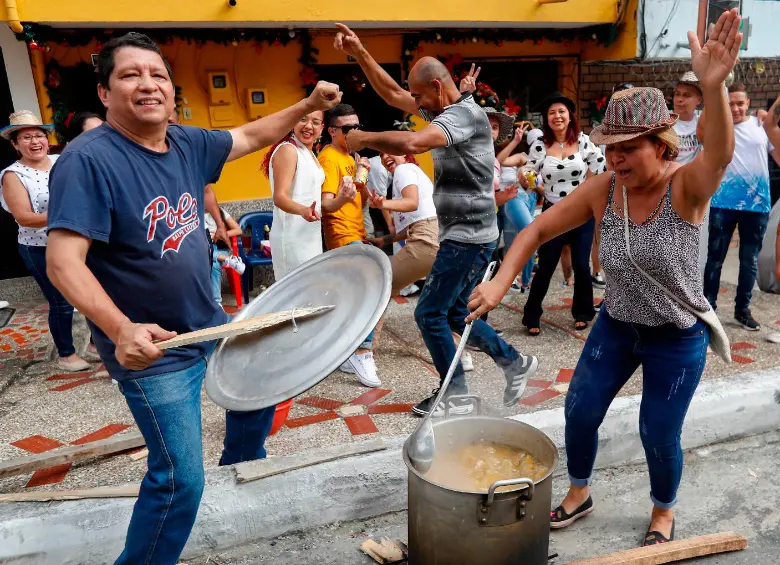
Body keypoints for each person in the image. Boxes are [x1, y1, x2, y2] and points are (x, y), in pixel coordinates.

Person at [45, 32, 342, 564]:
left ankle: (236, 470)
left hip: (208, 323)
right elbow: (63, 262)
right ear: (105, 92)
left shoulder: (186, 142)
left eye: (157, 74)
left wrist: (307, 104)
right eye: (130, 75)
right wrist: (120, 329)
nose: (148, 84)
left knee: (261, 386)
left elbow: (250, 134)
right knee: (179, 480)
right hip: (153, 349)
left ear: (171, 88)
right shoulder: (87, 160)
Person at [468, 8, 742, 546]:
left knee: (657, 432)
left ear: (660, 144)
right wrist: (500, 282)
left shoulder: (686, 188)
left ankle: (662, 511)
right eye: (610, 148)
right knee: (579, 411)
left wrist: (712, 87)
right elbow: (535, 230)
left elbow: (719, 153)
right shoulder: (604, 189)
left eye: (628, 148)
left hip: (676, 336)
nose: (615, 159)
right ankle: (579, 492)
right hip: (616, 327)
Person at [334, 24, 539, 416]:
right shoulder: (443, 109)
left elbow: (413, 142)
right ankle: (515, 362)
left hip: (468, 236)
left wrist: (364, 138)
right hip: (467, 234)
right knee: (456, 313)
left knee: (428, 313)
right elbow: (392, 94)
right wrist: (359, 52)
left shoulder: (464, 116)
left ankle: (455, 395)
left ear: (436, 87)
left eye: (418, 95)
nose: (413, 102)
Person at [0, 110, 91, 372]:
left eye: (39, 135)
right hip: (39, 247)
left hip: (75, 241)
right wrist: (67, 214)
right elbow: (25, 217)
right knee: (61, 301)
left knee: (90, 293)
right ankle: (66, 355)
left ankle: (95, 344)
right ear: (15, 144)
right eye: (26, 137)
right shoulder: (13, 175)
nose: (35, 141)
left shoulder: (61, 161)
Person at [517, 93, 607, 335]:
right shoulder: (540, 144)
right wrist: (525, 176)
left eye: (561, 111)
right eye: (552, 113)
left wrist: (594, 193)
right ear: (547, 119)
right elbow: (529, 170)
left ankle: (583, 313)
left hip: (581, 213)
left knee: (581, 265)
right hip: (553, 212)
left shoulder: (583, 141)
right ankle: (531, 316)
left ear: (570, 115)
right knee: (546, 265)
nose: (557, 116)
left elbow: (601, 167)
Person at [702, 83, 780, 331]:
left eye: (739, 103)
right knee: (715, 259)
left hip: (756, 206)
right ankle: (708, 310)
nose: (735, 108)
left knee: (749, 261)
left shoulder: (761, 127)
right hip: (722, 203)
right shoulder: (718, 127)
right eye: (730, 104)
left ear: (748, 104)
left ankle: (742, 311)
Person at [318, 103, 381, 388]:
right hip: (342, 234)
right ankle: (362, 352)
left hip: (357, 231)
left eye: (357, 126)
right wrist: (346, 195)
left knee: (353, 295)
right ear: (332, 131)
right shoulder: (329, 158)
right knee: (369, 291)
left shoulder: (352, 156)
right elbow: (327, 204)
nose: (354, 132)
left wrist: (363, 176)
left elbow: (358, 199)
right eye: (347, 128)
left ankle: (348, 352)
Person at [262, 110, 326, 280]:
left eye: (315, 122)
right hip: (291, 238)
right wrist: (303, 210)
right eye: (302, 119)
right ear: (293, 122)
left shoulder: (309, 153)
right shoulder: (288, 150)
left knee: (310, 288)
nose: (308, 126)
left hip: (309, 234)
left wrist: (343, 197)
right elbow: (280, 197)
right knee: (298, 291)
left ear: (322, 128)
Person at [672, 71, 708, 272]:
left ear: (698, 100)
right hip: (669, 189)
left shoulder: (702, 121)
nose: (680, 99)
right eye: (677, 94)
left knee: (693, 244)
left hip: (694, 191)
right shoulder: (665, 123)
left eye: (687, 95)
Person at [204, 206, 244, 306]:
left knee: (213, 263)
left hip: (220, 248)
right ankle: (229, 260)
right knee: (209, 257)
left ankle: (217, 303)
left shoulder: (219, 211)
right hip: (203, 249)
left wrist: (219, 234)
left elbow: (238, 230)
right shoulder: (193, 214)